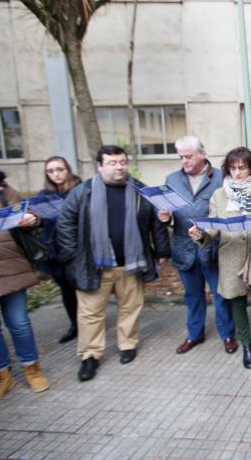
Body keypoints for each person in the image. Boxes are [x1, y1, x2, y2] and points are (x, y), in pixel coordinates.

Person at [56, 145, 171, 382]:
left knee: (131, 307)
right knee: (90, 313)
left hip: (131, 264)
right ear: (100, 166)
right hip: (94, 265)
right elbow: (65, 223)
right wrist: (71, 255)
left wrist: (161, 250)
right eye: (112, 163)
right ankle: (90, 355)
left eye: (122, 162)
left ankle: (127, 344)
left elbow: (155, 222)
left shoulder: (140, 190)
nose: (119, 167)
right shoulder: (84, 191)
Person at [0, 148, 51, 407]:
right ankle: (1, 377)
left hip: (9, 267)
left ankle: (32, 369)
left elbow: (28, 213)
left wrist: (30, 219)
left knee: (19, 323)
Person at [189, 147, 251, 369]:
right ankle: (247, 344)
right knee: (236, 301)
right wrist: (201, 235)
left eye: (242, 168)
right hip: (230, 255)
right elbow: (212, 229)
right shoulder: (219, 195)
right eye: (233, 168)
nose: (237, 173)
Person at [158, 136, 236, 355]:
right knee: (192, 296)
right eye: (181, 157)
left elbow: (229, 211)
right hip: (184, 247)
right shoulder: (172, 179)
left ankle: (228, 334)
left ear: (202, 153)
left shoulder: (221, 178)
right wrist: (165, 217)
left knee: (220, 295)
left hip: (213, 246)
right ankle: (194, 335)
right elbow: (168, 212)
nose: (184, 160)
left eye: (189, 156)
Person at [37, 156, 82, 344]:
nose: (56, 174)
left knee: (84, 289)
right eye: (51, 171)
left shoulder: (80, 190)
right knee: (66, 290)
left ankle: (90, 323)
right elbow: (39, 222)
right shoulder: (43, 195)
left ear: (68, 170)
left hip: (77, 249)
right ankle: (75, 324)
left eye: (60, 169)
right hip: (54, 250)